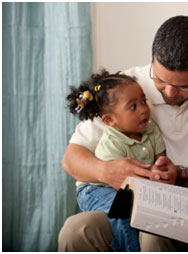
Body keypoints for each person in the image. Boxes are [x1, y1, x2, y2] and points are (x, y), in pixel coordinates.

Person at [58, 16, 188, 251]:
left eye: (183, 86)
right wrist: (108, 171)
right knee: (77, 230)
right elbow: (71, 159)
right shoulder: (129, 87)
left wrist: (182, 176)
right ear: (153, 59)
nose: (169, 93)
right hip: (140, 203)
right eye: (160, 80)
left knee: (154, 233)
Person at [65, 70, 166, 251]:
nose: (143, 109)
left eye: (144, 101)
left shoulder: (151, 129)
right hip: (96, 189)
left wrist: (162, 168)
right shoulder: (111, 142)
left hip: (127, 189)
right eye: (133, 107)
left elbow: (161, 159)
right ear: (110, 120)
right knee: (121, 212)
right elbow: (117, 182)